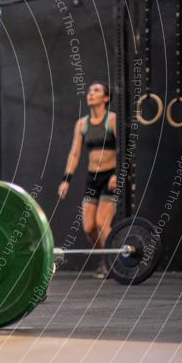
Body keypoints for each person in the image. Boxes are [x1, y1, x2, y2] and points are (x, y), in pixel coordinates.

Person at [57, 82, 118, 278]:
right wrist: (66, 179)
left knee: (102, 222)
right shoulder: (82, 124)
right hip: (93, 178)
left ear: (106, 98)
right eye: (90, 91)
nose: (91, 94)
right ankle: (105, 259)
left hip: (111, 176)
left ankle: (114, 264)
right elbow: (74, 154)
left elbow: (123, 149)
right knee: (89, 227)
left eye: (97, 91)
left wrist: (118, 174)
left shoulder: (112, 120)